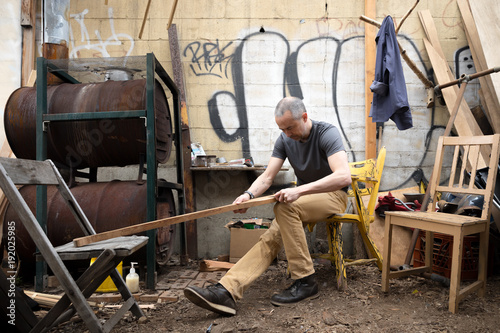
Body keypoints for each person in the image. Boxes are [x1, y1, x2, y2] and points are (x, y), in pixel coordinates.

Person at [184, 96, 352, 316]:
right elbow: (267, 177)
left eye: (290, 127)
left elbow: (343, 176)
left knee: (285, 207)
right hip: (302, 201)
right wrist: (248, 194)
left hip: (333, 196)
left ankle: (305, 280)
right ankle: (227, 290)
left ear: (304, 117)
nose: (287, 134)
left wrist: (298, 190)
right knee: (270, 238)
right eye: (282, 129)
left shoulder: (326, 133)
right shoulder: (284, 140)